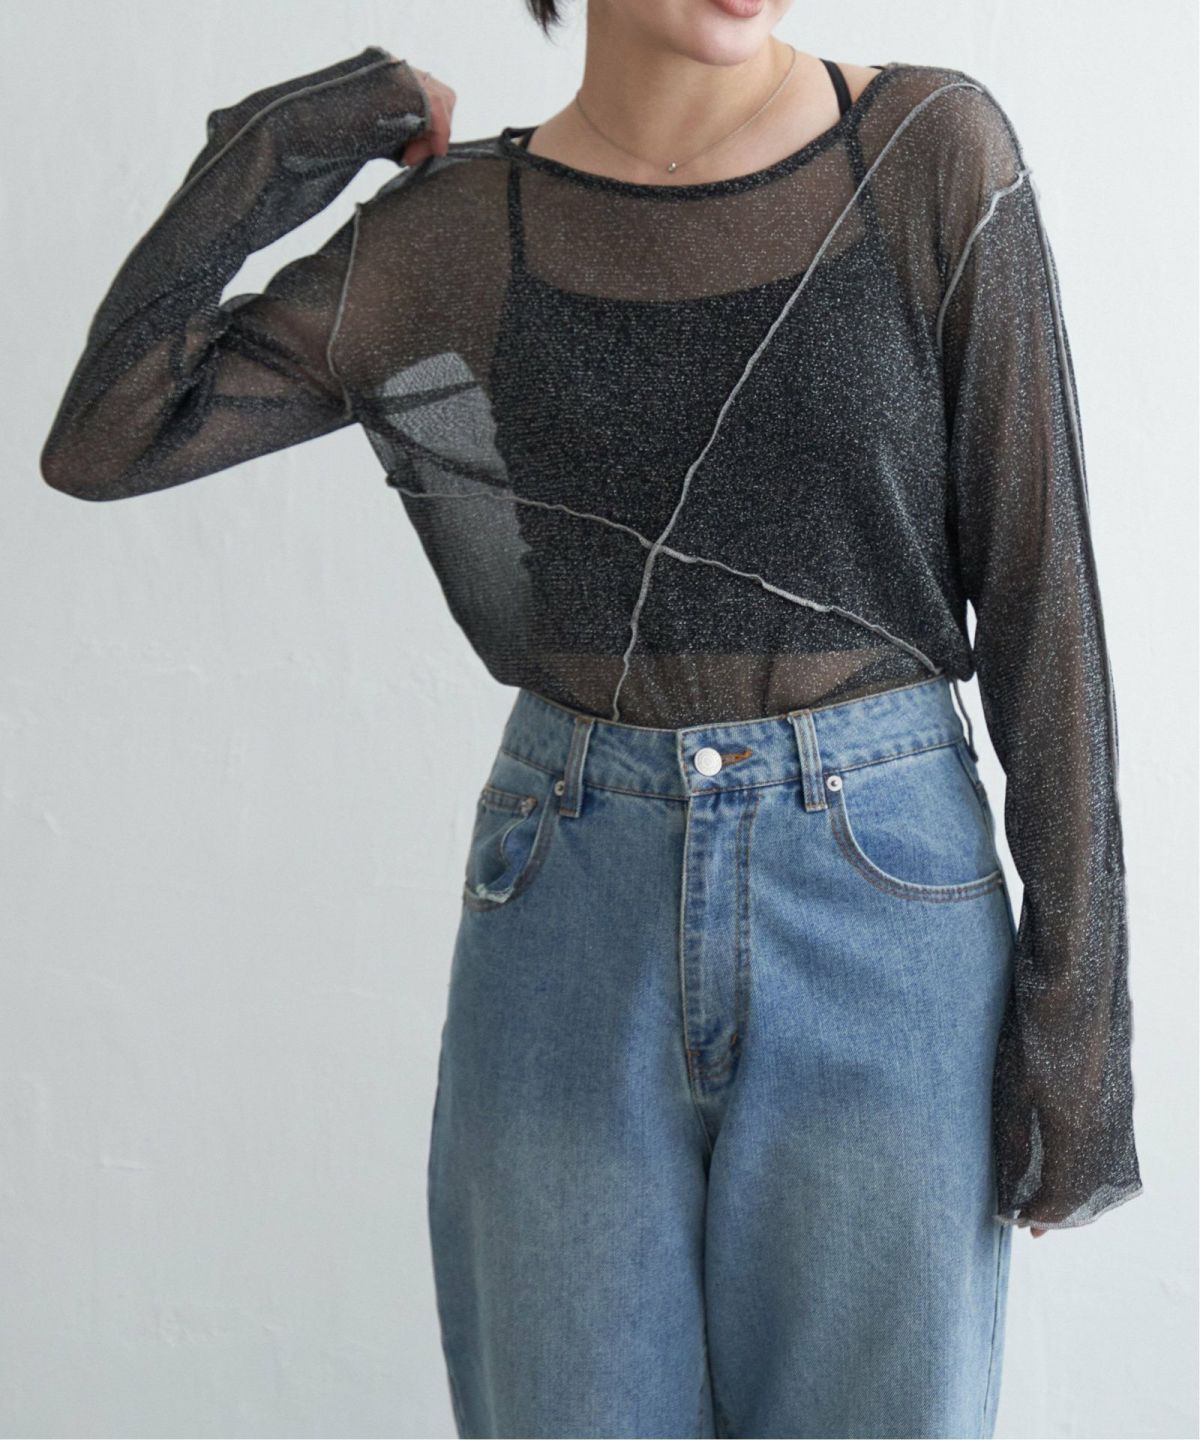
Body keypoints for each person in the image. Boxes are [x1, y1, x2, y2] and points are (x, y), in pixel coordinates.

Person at [39, 1, 1143, 1435]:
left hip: (887, 918)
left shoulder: (928, 151)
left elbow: (1047, 604)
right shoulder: (456, 232)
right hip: (567, 904)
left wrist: (1078, 1038)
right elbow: (111, 431)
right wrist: (303, 131)